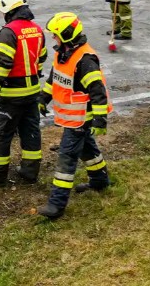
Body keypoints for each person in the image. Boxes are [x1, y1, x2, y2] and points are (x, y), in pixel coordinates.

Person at [36, 12, 110, 219]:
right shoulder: (64, 54)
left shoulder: (85, 61)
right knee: (88, 149)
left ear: (67, 35)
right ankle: (100, 181)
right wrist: (43, 98)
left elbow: (98, 92)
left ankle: (56, 204)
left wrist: (99, 120)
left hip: (80, 118)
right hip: (72, 118)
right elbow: (54, 80)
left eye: (55, 34)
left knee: (66, 159)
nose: (53, 38)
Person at [0, 0, 47, 187]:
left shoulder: (8, 32)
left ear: (8, 9)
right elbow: (41, 59)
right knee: (30, 132)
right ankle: (30, 171)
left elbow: (3, 65)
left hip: (10, 96)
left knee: (0, 135)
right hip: (32, 93)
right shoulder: (36, 29)